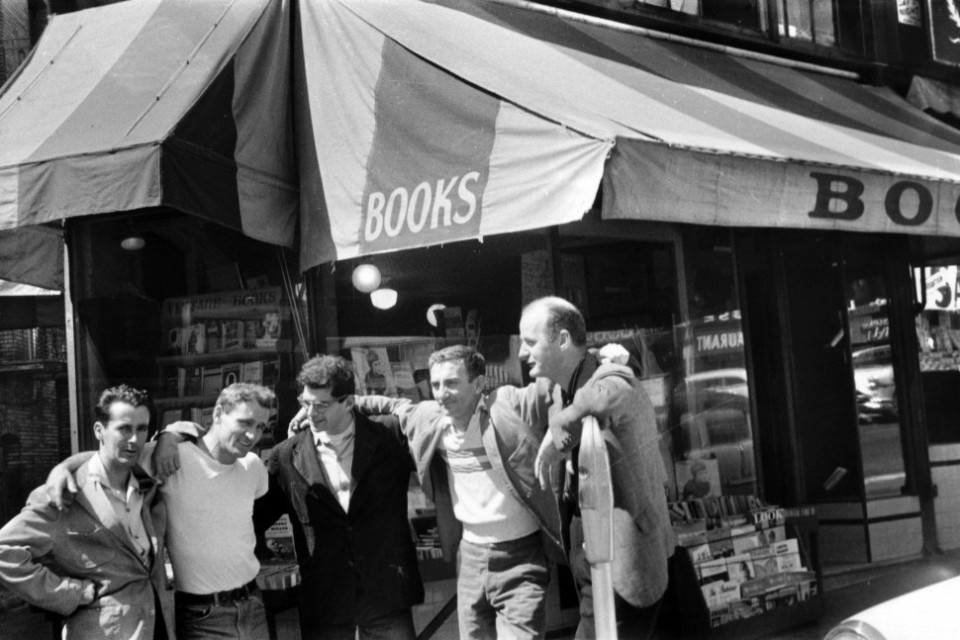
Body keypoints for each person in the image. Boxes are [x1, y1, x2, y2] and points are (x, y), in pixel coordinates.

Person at [356, 345, 564, 640]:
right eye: (436, 384)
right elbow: (390, 405)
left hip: (522, 556)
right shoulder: (430, 419)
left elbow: (552, 388)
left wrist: (604, 364)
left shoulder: (505, 404)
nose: (441, 393)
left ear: (478, 384)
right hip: (470, 558)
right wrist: (328, 407)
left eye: (452, 383)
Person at [45, 382, 276, 640]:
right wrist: (63, 468)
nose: (252, 436)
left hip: (253, 605)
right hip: (203, 616)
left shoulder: (253, 466)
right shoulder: (172, 458)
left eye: (260, 427)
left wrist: (171, 433)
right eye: (245, 423)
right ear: (219, 414)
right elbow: (106, 458)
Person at [522, 296, 676, 640]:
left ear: (562, 340)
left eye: (530, 342)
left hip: (625, 562)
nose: (522, 352)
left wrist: (558, 429)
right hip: (589, 557)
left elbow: (607, 394)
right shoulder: (559, 391)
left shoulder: (611, 375)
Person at [255, 355, 424, 640]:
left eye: (321, 405)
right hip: (326, 601)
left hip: (386, 595)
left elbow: (430, 413)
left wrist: (366, 402)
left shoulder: (389, 435)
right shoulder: (285, 455)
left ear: (348, 402)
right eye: (305, 402)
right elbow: (257, 521)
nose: (311, 413)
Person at [0, 385, 174, 639]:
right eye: (124, 429)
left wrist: (168, 436)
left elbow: (196, 433)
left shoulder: (146, 484)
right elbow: (3, 552)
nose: (135, 440)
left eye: (141, 429)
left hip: (156, 628)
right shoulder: (65, 493)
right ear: (99, 430)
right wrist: (72, 593)